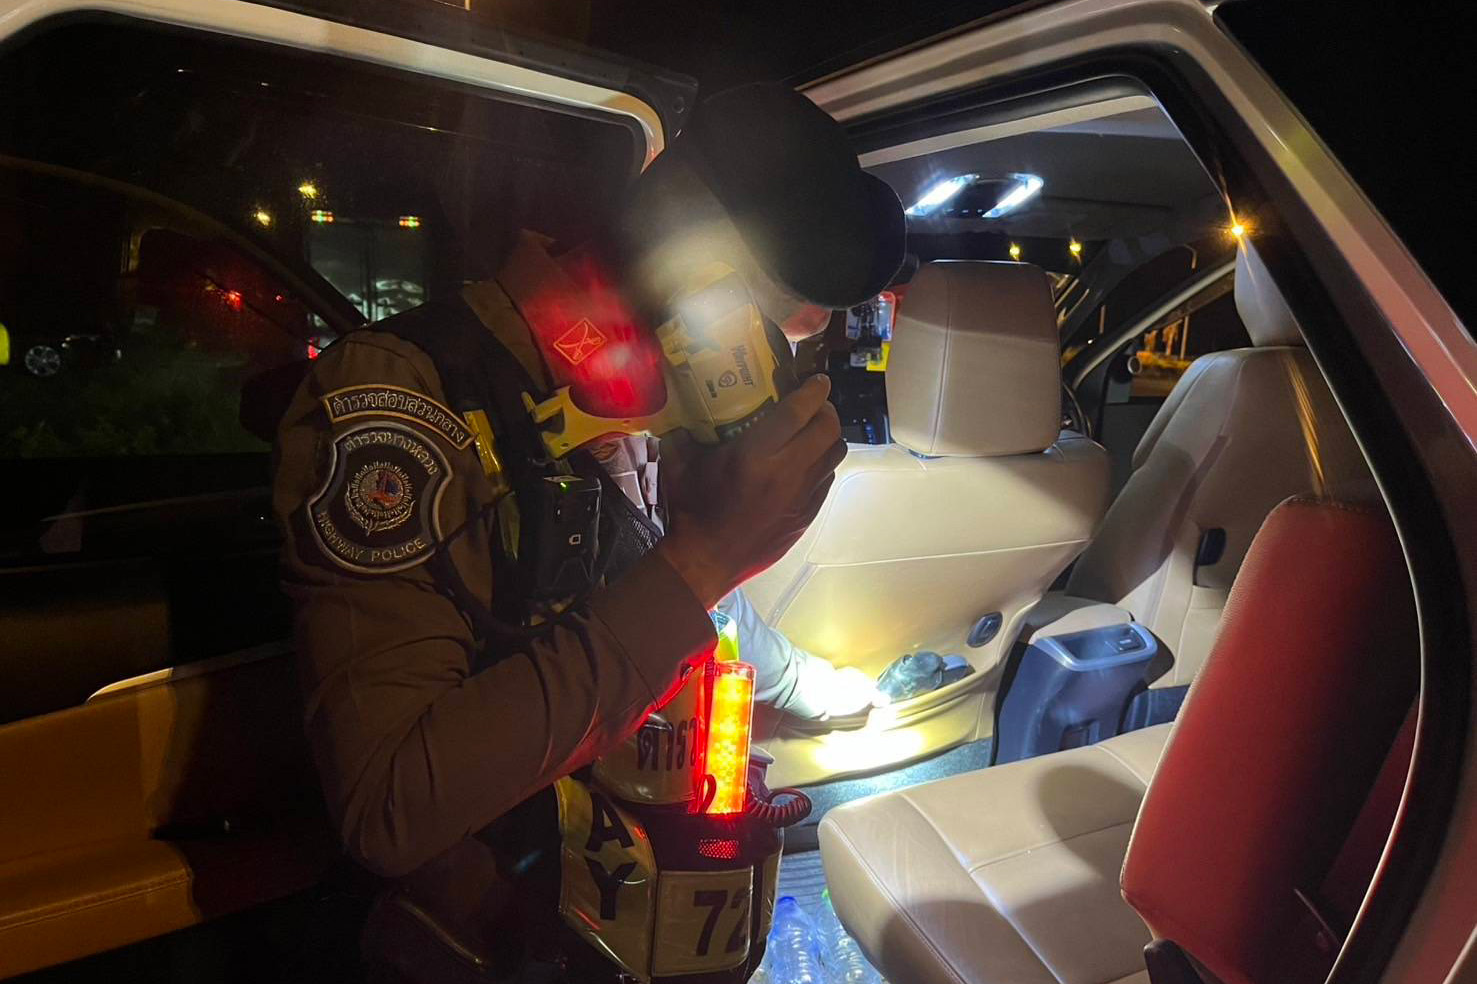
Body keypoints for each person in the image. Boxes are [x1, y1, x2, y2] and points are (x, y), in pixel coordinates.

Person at [272, 82, 903, 979]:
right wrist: (706, 557)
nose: (784, 363)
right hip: (497, 938)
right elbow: (390, 805)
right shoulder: (405, 394)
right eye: (777, 328)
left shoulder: (660, 394)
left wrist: (806, 678)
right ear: (693, 268)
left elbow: (668, 599)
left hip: (641, 905)